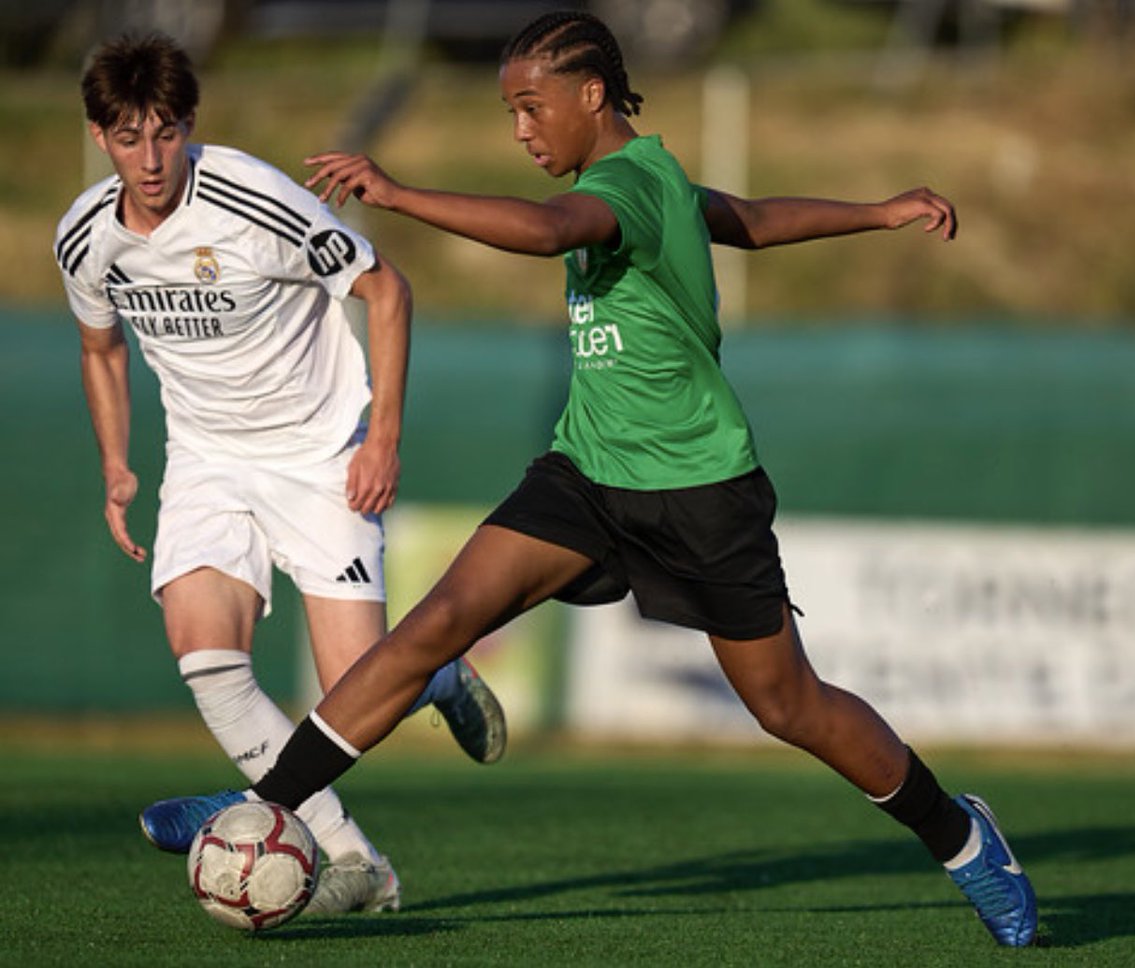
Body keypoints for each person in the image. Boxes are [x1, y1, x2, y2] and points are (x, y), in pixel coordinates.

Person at [153, 11, 1036, 946]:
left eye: (532, 108)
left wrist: (400, 196)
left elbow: (546, 230)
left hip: (699, 489)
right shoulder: (656, 184)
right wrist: (878, 210)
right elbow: (749, 218)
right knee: (438, 622)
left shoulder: (621, 187)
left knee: (789, 705)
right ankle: (264, 800)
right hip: (585, 476)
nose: (523, 130)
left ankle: (960, 834)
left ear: (592, 95)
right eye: (510, 114)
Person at [53, 32, 507, 916]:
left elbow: (388, 289)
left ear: (189, 124)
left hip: (319, 452)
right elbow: (99, 348)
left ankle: (440, 675)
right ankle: (354, 860)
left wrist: (383, 437)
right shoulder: (84, 236)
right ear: (99, 136)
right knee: (209, 662)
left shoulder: (254, 200)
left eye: (166, 132)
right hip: (206, 460)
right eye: (127, 137)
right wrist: (115, 462)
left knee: (356, 689)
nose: (150, 159)